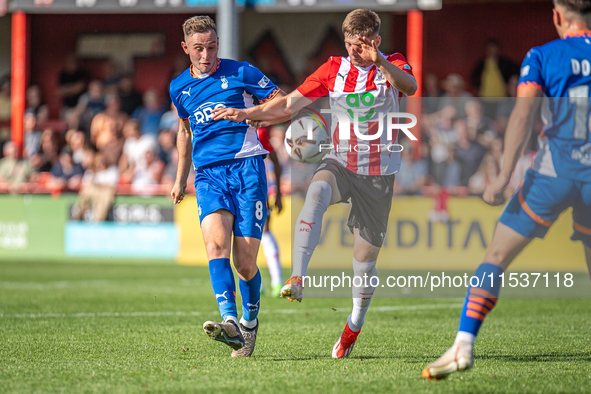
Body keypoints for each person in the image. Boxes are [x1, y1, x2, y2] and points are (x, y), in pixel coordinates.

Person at [214, 8, 417, 358]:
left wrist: (379, 59)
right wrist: (247, 114)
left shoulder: (393, 65)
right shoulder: (333, 69)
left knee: (363, 263)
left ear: (376, 41)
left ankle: (353, 324)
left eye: (362, 44)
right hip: (340, 161)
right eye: (350, 43)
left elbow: (410, 87)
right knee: (317, 191)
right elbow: (290, 103)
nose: (355, 50)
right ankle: (298, 277)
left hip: (379, 175)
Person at [422, 0, 591, 380]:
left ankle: (463, 344)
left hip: (554, 173)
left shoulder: (544, 55)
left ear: (558, 16)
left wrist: (501, 177)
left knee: (496, 254)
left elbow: (523, 114)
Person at [169, 16, 280, 357]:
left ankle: (249, 324)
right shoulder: (178, 88)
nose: (206, 55)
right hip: (208, 175)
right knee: (215, 245)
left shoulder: (241, 71)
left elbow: (282, 103)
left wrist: (244, 115)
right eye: (199, 49)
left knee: (245, 264)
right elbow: (185, 132)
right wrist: (180, 178)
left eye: (212, 47)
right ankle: (229, 322)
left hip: (247, 169)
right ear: (186, 48)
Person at [257, 126, 284, 297]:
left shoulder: (259, 131)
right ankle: (255, 283)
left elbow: (274, 160)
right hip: (234, 188)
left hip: (257, 189)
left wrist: (279, 193)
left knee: (264, 230)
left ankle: (277, 280)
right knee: (241, 236)